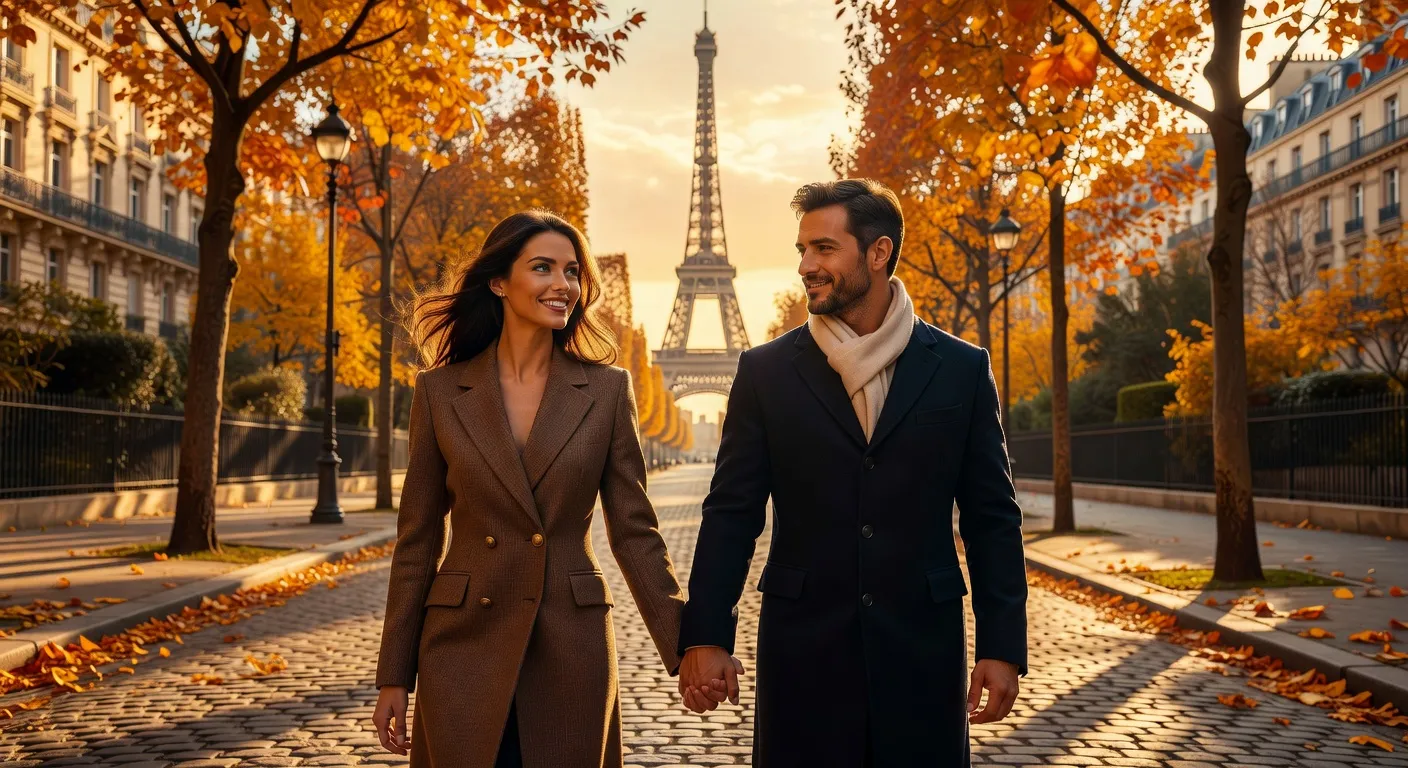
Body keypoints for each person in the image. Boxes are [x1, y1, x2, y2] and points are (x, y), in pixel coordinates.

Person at [676, 179, 1029, 767]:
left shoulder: (961, 370)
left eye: (823, 249)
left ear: (878, 252)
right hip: (803, 650)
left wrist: (1002, 644)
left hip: (923, 650)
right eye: (802, 250)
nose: (806, 266)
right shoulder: (766, 372)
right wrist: (707, 634)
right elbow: (732, 512)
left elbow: (993, 516)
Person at [370, 210, 738, 767]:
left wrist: (689, 644)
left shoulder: (608, 390)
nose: (562, 284)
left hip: (571, 644)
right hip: (462, 643)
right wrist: (393, 675)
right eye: (542, 267)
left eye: (571, 271)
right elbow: (416, 541)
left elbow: (635, 534)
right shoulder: (440, 392)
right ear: (499, 281)